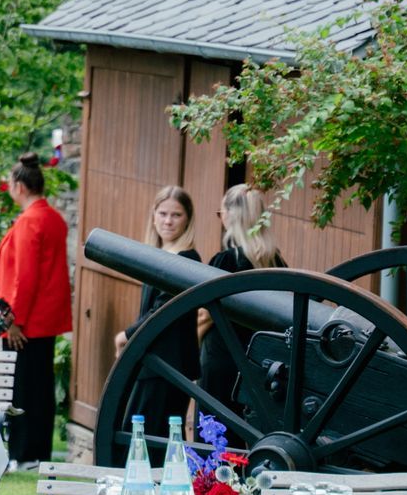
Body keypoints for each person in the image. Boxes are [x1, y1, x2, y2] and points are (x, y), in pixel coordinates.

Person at [0, 153, 72, 467]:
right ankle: (38, 452)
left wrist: (14, 321)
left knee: (22, 388)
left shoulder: (29, 221)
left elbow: (24, 277)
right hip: (46, 319)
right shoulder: (53, 218)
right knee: (40, 388)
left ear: (19, 186)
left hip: (27, 322)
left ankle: (23, 453)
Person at [113, 186, 201, 441]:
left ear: (188, 219)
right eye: (163, 213)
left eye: (176, 215)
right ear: (153, 215)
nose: (168, 221)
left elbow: (162, 307)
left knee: (148, 434)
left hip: (168, 362)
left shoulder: (187, 258)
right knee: (141, 430)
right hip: (151, 358)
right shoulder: (157, 255)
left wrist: (126, 335)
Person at [198, 184, 286, 409]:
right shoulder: (277, 264)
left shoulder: (226, 261)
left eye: (221, 214)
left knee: (215, 435)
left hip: (221, 357)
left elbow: (204, 315)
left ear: (230, 216)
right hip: (260, 361)